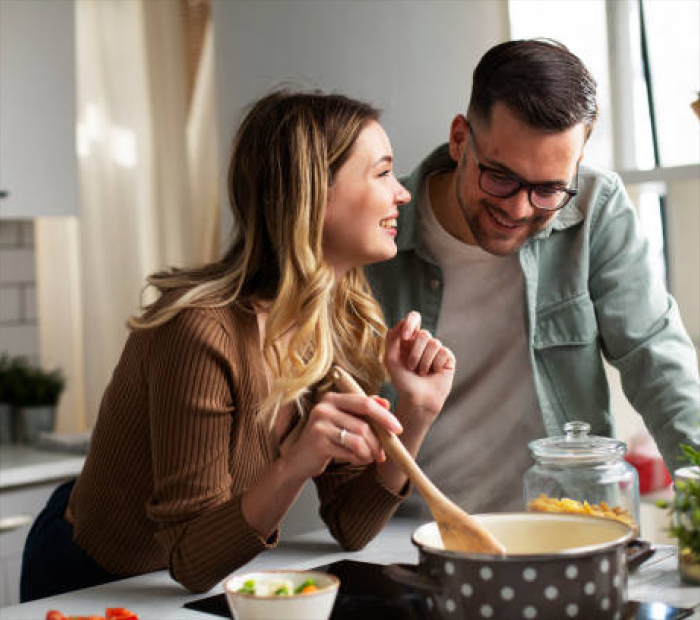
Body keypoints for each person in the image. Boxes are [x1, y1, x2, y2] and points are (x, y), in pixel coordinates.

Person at [20, 89, 456, 601]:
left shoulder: (338, 319)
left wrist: (418, 412)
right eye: (382, 173)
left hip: (188, 585)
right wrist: (295, 463)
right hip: (92, 582)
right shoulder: (199, 331)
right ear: (315, 194)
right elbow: (190, 559)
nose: (401, 193)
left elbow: (352, 526)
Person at [366, 39, 699, 518]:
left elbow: (656, 358)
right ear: (461, 138)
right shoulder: (379, 234)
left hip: (568, 524)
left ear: (575, 167)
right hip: (416, 533)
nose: (518, 209)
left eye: (547, 189)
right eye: (500, 177)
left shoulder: (596, 207)